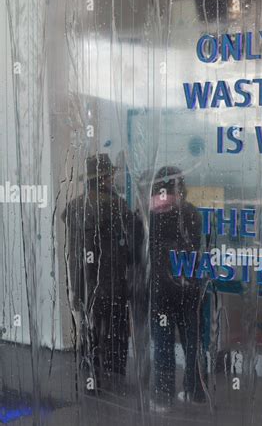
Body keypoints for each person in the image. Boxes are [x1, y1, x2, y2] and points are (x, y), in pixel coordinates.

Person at [63, 153, 142, 394]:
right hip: (112, 282)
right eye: (110, 176)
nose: (113, 179)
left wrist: (77, 288)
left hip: (85, 283)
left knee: (91, 333)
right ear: (103, 178)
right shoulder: (115, 205)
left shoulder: (74, 206)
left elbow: (76, 249)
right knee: (116, 332)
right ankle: (115, 379)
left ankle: (91, 381)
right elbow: (134, 237)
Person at [149, 166, 206, 409]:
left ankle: (164, 396)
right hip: (188, 288)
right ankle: (195, 392)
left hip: (161, 290)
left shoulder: (150, 216)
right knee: (192, 342)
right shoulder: (192, 213)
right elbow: (197, 245)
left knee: (163, 344)